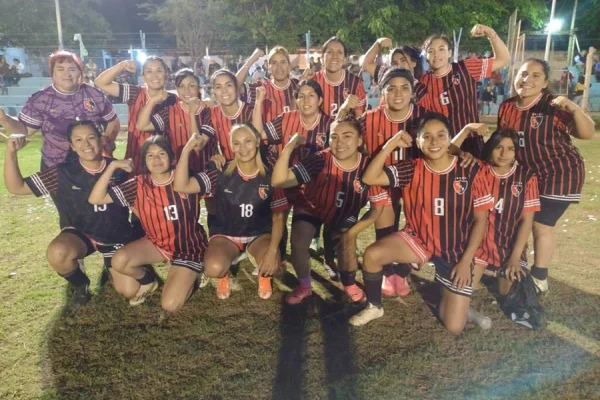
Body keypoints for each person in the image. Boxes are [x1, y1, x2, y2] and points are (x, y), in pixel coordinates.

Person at [353, 113, 493, 334]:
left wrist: (466, 261)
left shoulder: (471, 170)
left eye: (440, 135)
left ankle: (463, 306)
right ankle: (374, 306)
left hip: (456, 251)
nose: (434, 142)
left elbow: (481, 220)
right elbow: (369, 178)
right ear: (417, 141)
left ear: (449, 138)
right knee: (372, 255)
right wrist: (390, 144)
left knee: (454, 327)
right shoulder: (411, 168)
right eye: (426, 136)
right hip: (419, 239)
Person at [3, 121, 144, 308]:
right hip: (80, 234)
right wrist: (11, 153)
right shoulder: (62, 172)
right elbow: (17, 187)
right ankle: (81, 285)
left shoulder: (121, 170)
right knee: (58, 252)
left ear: (101, 140)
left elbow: (142, 205)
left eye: (91, 138)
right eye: (78, 140)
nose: (85, 144)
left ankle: (116, 263)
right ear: (72, 146)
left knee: (129, 290)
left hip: (114, 235)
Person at [497, 58, 595, 293]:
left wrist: (573, 107)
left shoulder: (553, 105)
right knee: (523, 220)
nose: (526, 79)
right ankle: (517, 263)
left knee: (541, 224)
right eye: (522, 74)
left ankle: (540, 277)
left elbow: (588, 132)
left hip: (561, 172)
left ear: (545, 82)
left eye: (535, 76)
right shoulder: (507, 106)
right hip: (529, 176)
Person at [272, 117, 389, 305]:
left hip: (344, 214)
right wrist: (289, 146)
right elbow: (278, 181)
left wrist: (351, 233)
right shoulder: (320, 160)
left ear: (359, 141)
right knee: (299, 242)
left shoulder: (369, 166)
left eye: (347, 136)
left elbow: (376, 210)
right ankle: (304, 286)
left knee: (347, 243)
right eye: (334, 137)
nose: (339, 142)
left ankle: (349, 284)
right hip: (312, 206)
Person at [88, 135, 209, 313]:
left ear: (172, 158)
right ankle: (148, 281)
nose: (156, 160)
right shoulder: (138, 184)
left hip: (188, 247)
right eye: (150, 156)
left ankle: (193, 270)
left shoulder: (186, 178)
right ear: (144, 161)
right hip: (157, 244)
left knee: (170, 305)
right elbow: (96, 199)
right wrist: (112, 165)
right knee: (119, 261)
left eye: (161, 154)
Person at [174, 125, 288, 299]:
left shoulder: (270, 174)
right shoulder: (220, 172)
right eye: (236, 143)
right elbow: (181, 185)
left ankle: (264, 275)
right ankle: (223, 274)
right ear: (231, 146)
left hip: (258, 234)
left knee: (273, 257)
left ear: (257, 141)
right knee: (213, 267)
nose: (242, 148)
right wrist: (187, 150)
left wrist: (273, 251)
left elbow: (279, 216)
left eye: (248, 141)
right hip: (226, 235)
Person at [356, 67, 429, 297]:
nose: (398, 94)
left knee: (420, 226)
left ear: (412, 92)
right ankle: (388, 273)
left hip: (415, 183)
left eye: (404, 88)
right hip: (381, 182)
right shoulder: (369, 119)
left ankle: (403, 270)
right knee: (386, 227)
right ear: (382, 91)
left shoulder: (424, 117)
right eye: (391, 88)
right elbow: (347, 136)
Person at [449, 128, 541, 296]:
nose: (504, 153)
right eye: (499, 147)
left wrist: (515, 257)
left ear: (516, 152)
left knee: (510, 296)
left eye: (510, 148)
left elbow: (526, 221)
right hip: (480, 247)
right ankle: (478, 268)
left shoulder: (527, 177)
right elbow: (448, 149)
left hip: (508, 248)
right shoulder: (477, 168)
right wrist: (467, 130)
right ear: (490, 148)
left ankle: (504, 272)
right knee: (461, 291)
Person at [0, 51, 120, 170]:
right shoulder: (40, 99)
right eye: (61, 69)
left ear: (80, 72)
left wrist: (107, 141)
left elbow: (113, 121)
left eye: (72, 69)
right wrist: (4, 119)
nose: (67, 74)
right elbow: (25, 130)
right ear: (52, 73)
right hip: (56, 167)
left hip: (93, 164)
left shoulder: (94, 94)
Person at [418, 24, 510, 157]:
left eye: (441, 49)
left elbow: (503, 59)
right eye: (431, 51)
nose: (436, 54)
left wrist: (491, 34)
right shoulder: (423, 82)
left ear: (449, 52)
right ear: (426, 55)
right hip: (441, 145)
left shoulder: (466, 68)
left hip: (470, 142)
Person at [94, 57, 176, 175]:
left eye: (159, 70)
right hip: (137, 159)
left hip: (165, 161)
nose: (155, 75)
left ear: (166, 74)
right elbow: (100, 82)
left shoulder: (174, 100)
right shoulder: (135, 93)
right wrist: (122, 65)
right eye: (149, 71)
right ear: (143, 76)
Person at [237, 47, 302, 122]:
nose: (279, 67)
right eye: (274, 63)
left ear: (289, 66)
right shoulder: (261, 88)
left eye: (283, 62)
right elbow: (235, 86)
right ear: (268, 67)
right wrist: (253, 58)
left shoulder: (298, 86)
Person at [310, 36, 367, 118]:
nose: (335, 56)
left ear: (345, 59)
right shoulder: (313, 80)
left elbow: (359, 120)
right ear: (322, 58)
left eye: (339, 52)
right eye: (330, 52)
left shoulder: (355, 83)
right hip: (318, 130)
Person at [361, 38, 427, 98]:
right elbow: (367, 64)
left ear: (414, 63)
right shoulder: (386, 76)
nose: (399, 65)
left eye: (403, 60)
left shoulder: (420, 88)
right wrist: (378, 43)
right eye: (394, 63)